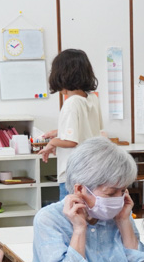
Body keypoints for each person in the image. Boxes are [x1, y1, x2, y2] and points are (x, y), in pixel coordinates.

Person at [38, 48, 104, 200]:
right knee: (87, 214)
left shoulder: (71, 103)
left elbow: (71, 141)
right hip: (91, 171)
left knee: (71, 215)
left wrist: (52, 143)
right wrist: (58, 131)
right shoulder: (91, 98)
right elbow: (89, 128)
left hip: (73, 174)